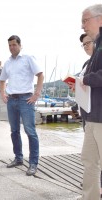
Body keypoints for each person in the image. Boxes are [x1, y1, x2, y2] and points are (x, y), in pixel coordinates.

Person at [0, 35, 44, 176]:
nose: (12, 47)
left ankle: (33, 163)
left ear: (20, 45)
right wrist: (3, 94)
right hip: (11, 100)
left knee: (30, 132)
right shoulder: (7, 63)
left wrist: (36, 94)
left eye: (14, 45)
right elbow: (2, 80)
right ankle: (18, 158)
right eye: (10, 45)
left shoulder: (28, 58)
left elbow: (40, 75)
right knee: (14, 131)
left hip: (26, 99)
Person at [78, 4, 102, 200]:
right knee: (89, 161)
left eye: (85, 20)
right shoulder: (98, 46)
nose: (82, 26)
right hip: (92, 117)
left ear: (100, 19)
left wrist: (84, 80)